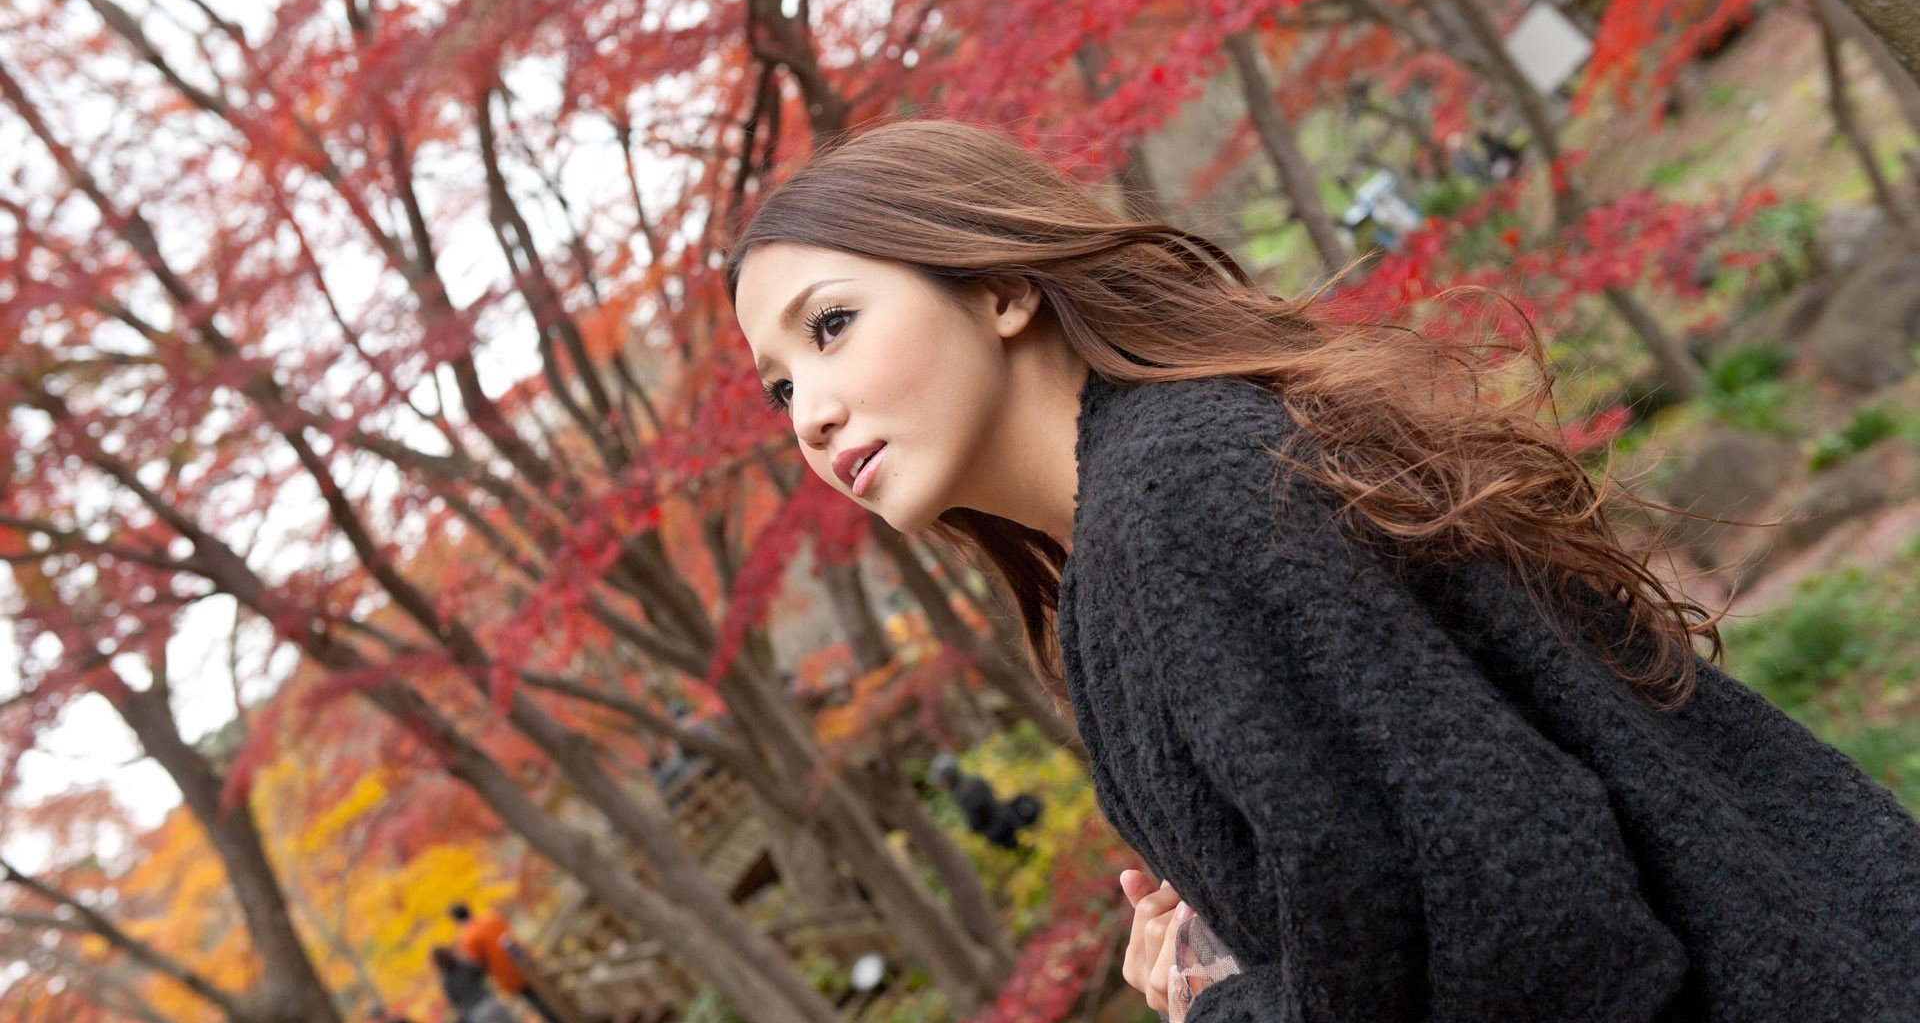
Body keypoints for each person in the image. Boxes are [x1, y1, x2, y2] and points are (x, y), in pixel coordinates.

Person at [726, 117, 1920, 1021]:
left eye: (830, 326)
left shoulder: (1180, 499)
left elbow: (1532, 911)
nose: (812, 415)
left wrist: (1226, 1006)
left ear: (999, 286)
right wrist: (1244, 941)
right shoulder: (1123, 548)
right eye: (781, 387)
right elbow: (1403, 872)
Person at [450, 902, 562, 1023]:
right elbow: (508, 931)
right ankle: (563, 1012)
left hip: (507, 973)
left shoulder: (468, 937)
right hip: (523, 959)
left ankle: (558, 1019)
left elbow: (479, 962)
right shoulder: (490, 918)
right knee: (547, 991)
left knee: (536, 1001)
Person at [928, 752, 1042, 849]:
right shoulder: (973, 780)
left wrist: (971, 829)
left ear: (948, 778)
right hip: (1007, 817)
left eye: (941, 782)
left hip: (1002, 832)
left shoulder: (962, 795)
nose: (941, 786)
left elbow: (975, 822)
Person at [429, 945, 515, 1023]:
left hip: (475, 1013)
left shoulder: (446, 983)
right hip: (488, 1001)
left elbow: (455, 1003)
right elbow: (481, 970)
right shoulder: (463, 965)